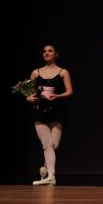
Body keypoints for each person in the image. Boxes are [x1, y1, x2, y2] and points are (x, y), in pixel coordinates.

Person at [26, 45, 73, 186]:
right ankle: (52, 176)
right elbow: (29, 91)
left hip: (57, 110)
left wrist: (57, 96)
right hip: (40, 110)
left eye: (50, 51)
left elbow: (69, 91)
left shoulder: (63, 72)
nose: (47, 53)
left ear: (56, 54)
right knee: (46, 144)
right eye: (44, 51)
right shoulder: (36, 72)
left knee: (54, 145)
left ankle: (45, 169)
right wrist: (28, 97)